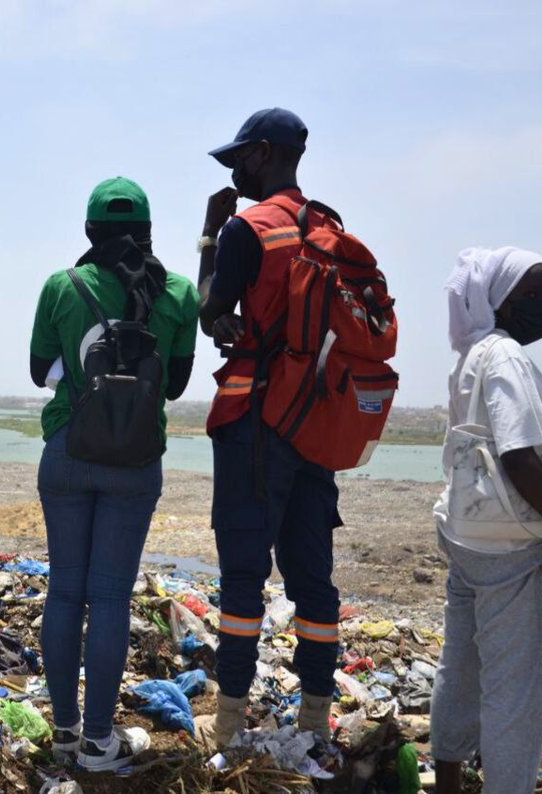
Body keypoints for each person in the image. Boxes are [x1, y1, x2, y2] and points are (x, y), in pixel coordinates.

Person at [30, 177, 199, 771]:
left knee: (65, 592)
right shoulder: (176, 291)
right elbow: (173, 385)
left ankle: (65, 734)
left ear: (89, 231)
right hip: (135, 462)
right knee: (109, 597)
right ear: (148, 232)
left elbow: (36, 371)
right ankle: (101, 741)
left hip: (68, 453)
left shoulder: (62, 285)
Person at [194, 108, 341, 744]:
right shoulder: (329, 227)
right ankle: (316, 716)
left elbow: (210, 312)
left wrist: (208, 235)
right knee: (312, 575)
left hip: (256, 418)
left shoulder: (246, 229)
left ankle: (229, 722)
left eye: (237, 161)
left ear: (259, 154)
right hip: (316, 419)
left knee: (243, 575)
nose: (234, 173)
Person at [431, 247, 542, 794]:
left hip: (465, 536)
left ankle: (447, 777)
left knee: (462, 666)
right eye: (535, 295)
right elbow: (519, 455)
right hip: (507, 549)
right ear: (499, 299)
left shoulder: (471, 353)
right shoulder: (506, 360)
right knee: (514, 692)